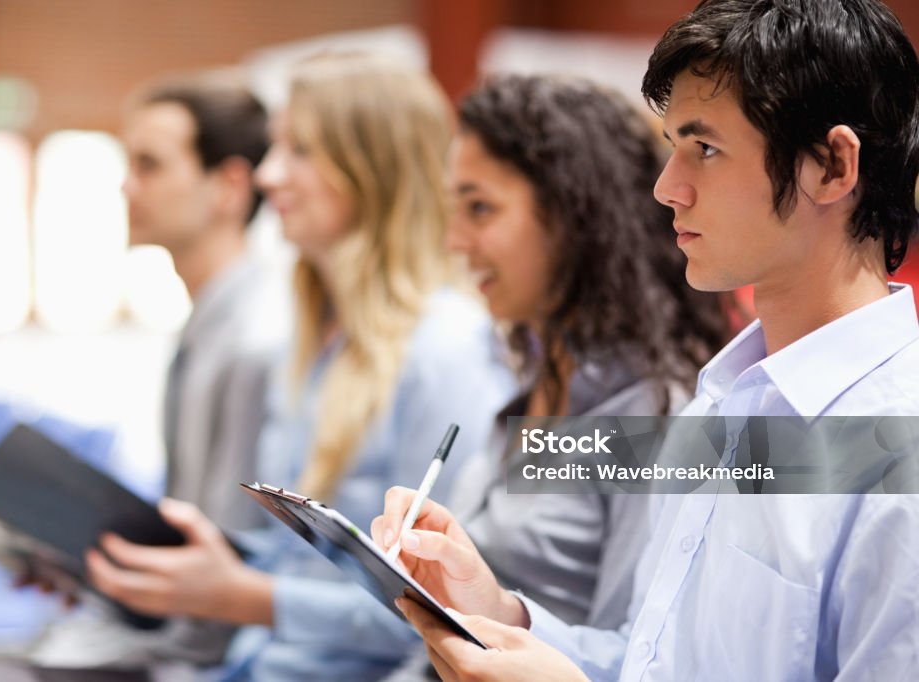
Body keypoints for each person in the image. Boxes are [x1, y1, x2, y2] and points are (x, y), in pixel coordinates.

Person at [371, 0, 919, 680]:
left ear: (832, 167)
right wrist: (498, 610)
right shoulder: (719, 404)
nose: (667, 189)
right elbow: (652, 658)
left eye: (706, 149)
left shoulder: (898, 446)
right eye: (672, 148)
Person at [83, 53, 515, 682]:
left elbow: (439, 611)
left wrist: (242, 595)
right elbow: (298, 561)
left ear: (372, 169)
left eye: (300, 151)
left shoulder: (446, 348)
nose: (268, 175)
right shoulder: (314, 341)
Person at [381, 74, 731, 681]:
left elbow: (640, 656)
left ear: (574, 218)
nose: (455, 241)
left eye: (480, 208)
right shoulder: (529, 384)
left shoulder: (653, 416)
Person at [24, 73, 291, 672]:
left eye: (150, 165)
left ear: (228, 187)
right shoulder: (212, 325)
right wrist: (90, 572)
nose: (126, 185)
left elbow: (220, 575)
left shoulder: (256, 342)